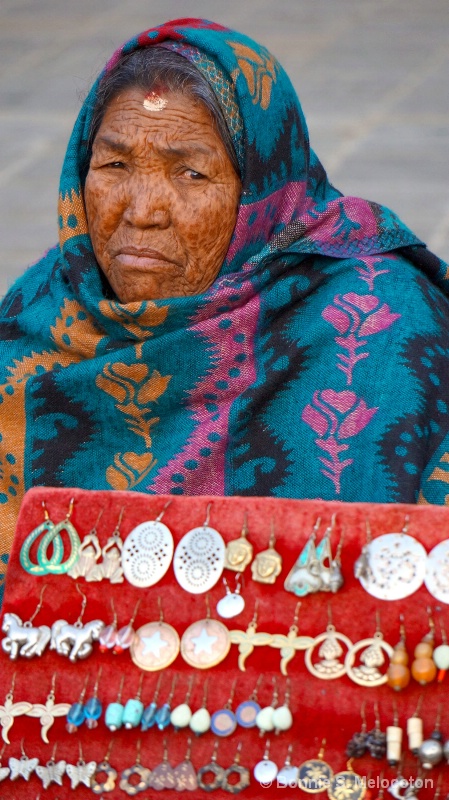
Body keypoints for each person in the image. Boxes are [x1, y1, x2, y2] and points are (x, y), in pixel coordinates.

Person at [1, 17, 449, 575]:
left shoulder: (380, 322)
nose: (141, 212)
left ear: (259, 191)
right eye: (114, 165)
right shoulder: (42, 309)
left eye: (190, 173)